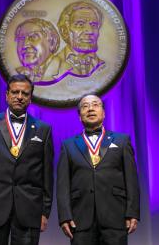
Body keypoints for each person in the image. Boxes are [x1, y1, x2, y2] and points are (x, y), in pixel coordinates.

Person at [0, 74, 54, 245]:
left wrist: (45, 212)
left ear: (30, 98)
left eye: (25, 93)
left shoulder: (43, 129)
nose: (19, 97)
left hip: (29, 209)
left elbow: (47, 176)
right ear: (7, 95)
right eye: (15, 92)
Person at [57, 94, 140, 245]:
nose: (90, 109)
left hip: (116, 216)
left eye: (95, 104)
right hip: (80, 219)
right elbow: (63, 185)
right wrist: (64, 216)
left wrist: (132, 212)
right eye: (85, 106)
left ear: (104, 113)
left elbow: (132, 179)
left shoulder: (122, 141)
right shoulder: (68, 145)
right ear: (79, 117)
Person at [43, 2, 105, 81]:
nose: (90, 31)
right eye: (80, 24)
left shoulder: (103, 65)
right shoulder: (52, 66)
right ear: (64, 31)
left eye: (93, 25)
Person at [15, 18, 60, 82]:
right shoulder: (18, 72)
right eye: (21, 38)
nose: (25, 45)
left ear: (52, 42)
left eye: (33, 37)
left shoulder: (63, 69)